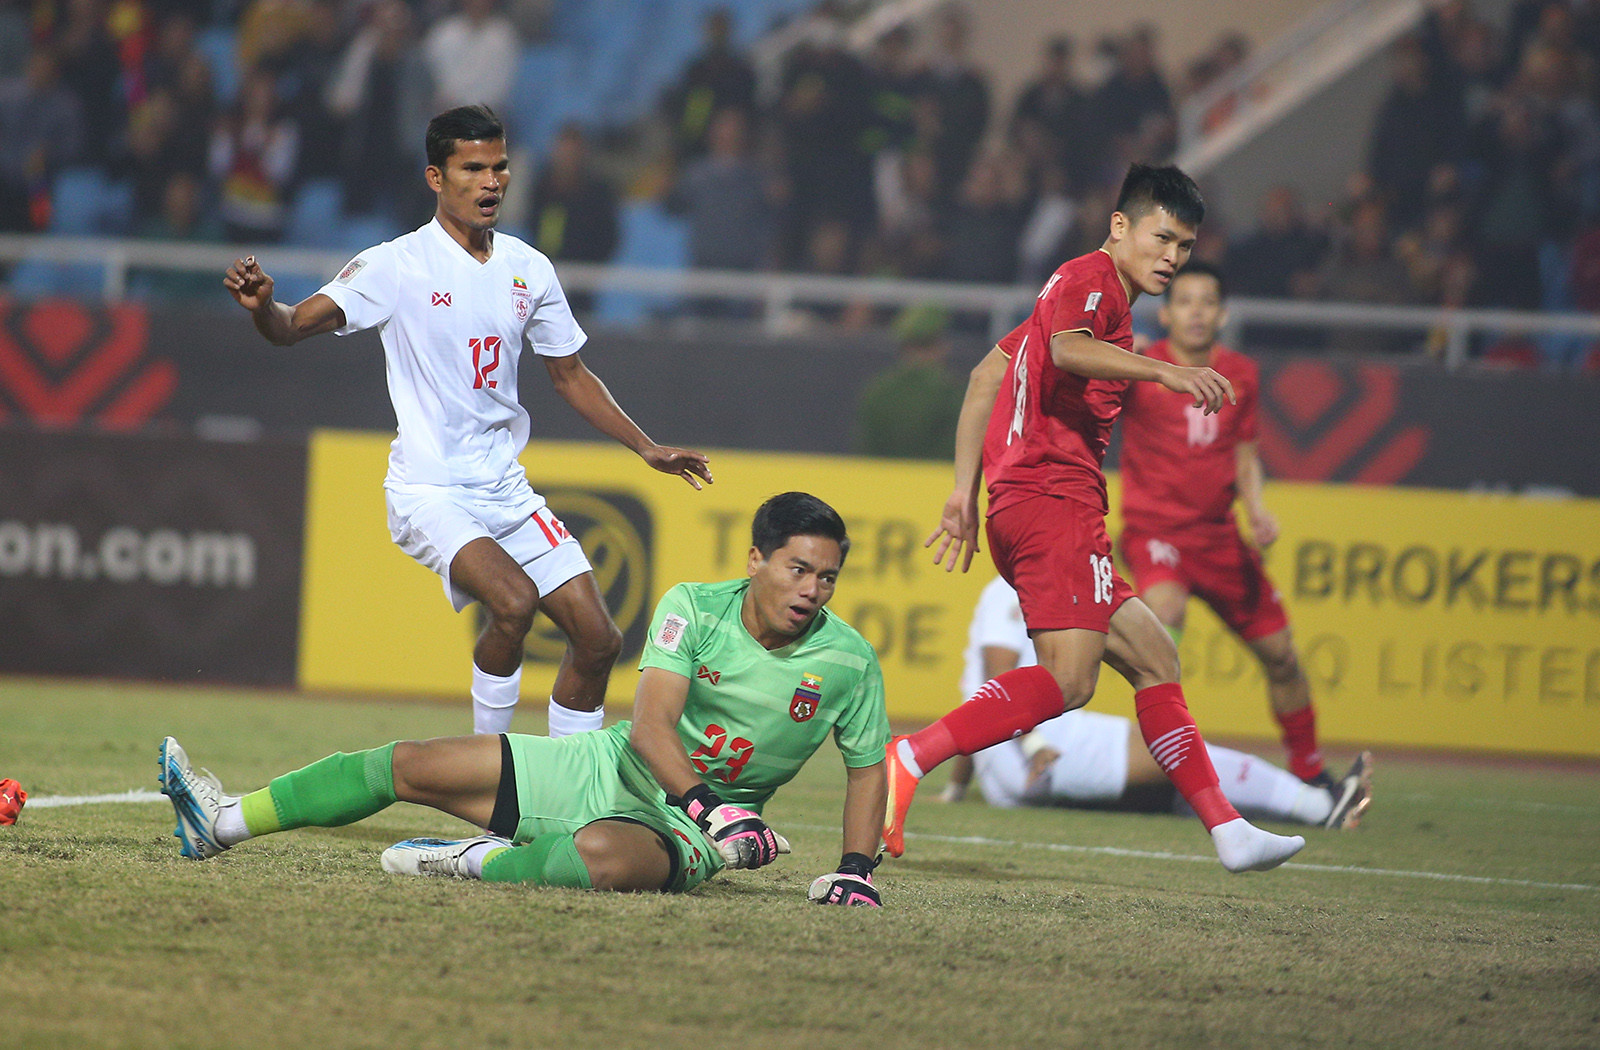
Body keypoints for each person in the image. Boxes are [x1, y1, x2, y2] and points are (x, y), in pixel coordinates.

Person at [222, 105, 712, 738]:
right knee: (514, 602)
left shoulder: (529, 268)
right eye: (472, 168)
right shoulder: (396, 265)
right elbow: (291, 327)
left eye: (499, 167)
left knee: (599, 639)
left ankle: (565, 780)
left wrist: (646, 448)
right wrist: (264, 308)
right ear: (436, 177)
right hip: (430, 490)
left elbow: (570, 374)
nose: (491, 182)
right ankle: (491, 765)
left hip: (504, 489)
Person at [158, 493, 891, 906]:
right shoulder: (695, 607)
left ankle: (471, 862)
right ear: (757, 559)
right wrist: (717, 808)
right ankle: (220, 823)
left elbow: (867, 768)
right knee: (408, 764)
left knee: (600, 864)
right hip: (619, 770)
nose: (812, 590)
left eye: (827, 577)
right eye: (798, 569)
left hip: (696, 832)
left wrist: (855, 870)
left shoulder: (851, 662)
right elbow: (650, 728)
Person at [886, 162, 1306, 874]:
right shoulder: (1092, 281)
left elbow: (986, 376)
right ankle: (912, 755)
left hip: (1041, 504)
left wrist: (964, 491)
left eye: (1184, 246)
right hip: (1051, 502)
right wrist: (1166, 370)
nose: (1171, 257)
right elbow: (1065, 350)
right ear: (1120, 226)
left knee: (1156, 658)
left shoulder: (1071, 296)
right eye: (1161, 238)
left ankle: (1228, 830)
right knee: (1070, 680)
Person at [1119, 259, 1346, 790]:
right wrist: (1121, 354)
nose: (1197, 313)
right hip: (1156, 533)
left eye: (1207, 303)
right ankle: (1154, 751)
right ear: (1167, 314)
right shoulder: (1141, 367)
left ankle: (1310, 771)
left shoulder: (1241, 373)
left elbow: (1245, 454)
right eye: (1185, 302)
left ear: (1222, 315)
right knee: (1165, 615)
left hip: (1219, 539)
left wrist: (1257, 510)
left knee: (1282, 657)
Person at [940, 577, 1373, 828]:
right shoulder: (1012, 587)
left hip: (1006, 767)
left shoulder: (1009, 587)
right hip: (1041, 750)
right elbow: (998, 680)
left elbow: (979, 692)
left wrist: (959, 787)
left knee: (1162, 790)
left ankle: (1298, 807)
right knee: (1180, 750)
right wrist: (1033, 746)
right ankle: (1318, 805)